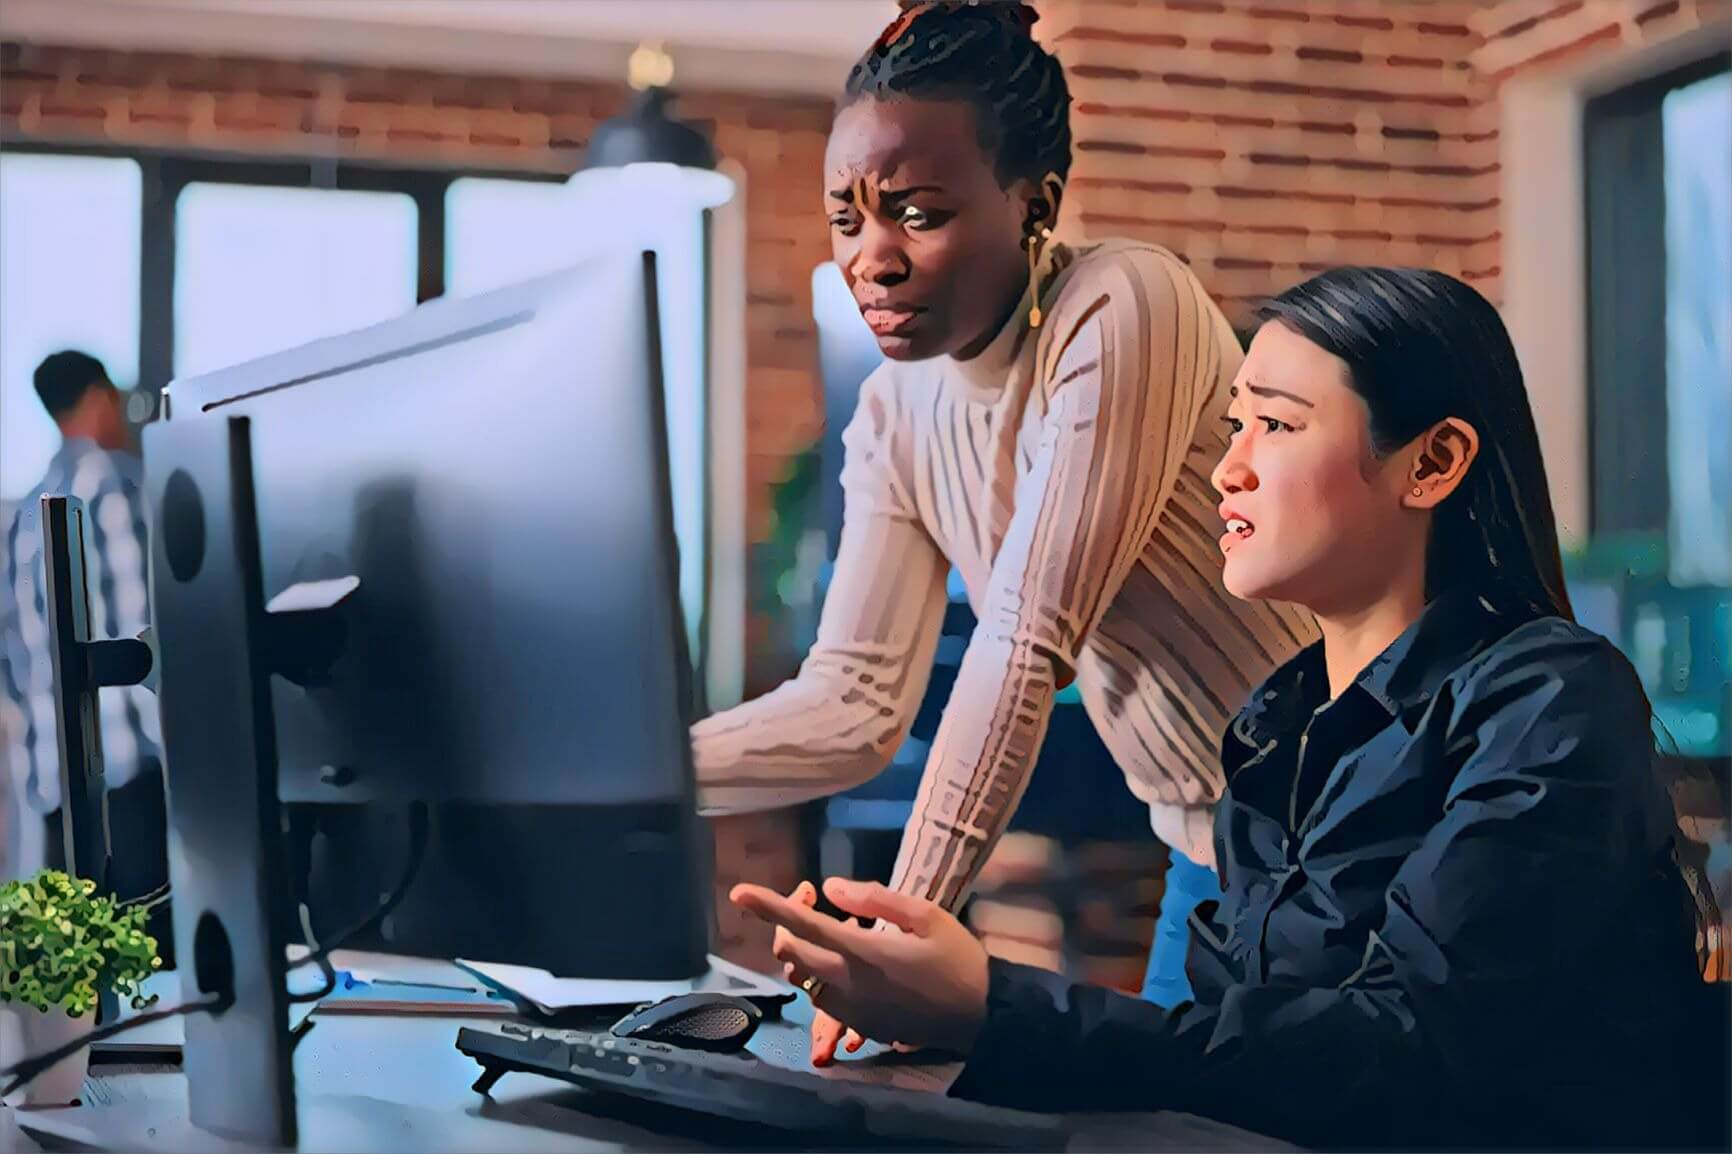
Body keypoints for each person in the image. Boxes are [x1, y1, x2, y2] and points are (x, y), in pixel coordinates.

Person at [731, 267, 1729, 1150]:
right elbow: (1241, 1057)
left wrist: (992, 1006)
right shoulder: (1274, 725)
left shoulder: (1551, 700)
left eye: (1278, 425)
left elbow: (1406, 1054)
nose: (1227, 467)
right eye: (1234, 422)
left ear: (1431, 462)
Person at [693, 0, 1317, 1056]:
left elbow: (1027, 636)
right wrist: (622, 774)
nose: (871, 259)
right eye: (849, 219)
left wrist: (888, 944)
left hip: (1349, 838)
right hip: (1208, 855)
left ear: (1037, 204)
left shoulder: (1122, 306)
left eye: (918, 213)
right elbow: (853, 700)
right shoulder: (897, 410)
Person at [0, 351, 169, 958]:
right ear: (98, 399)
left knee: (98, 978)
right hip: (133, 775)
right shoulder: (115, 482)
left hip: (59, 787)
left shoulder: (27, 510)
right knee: (156, 972)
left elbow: (16, 657)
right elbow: (149, 629)